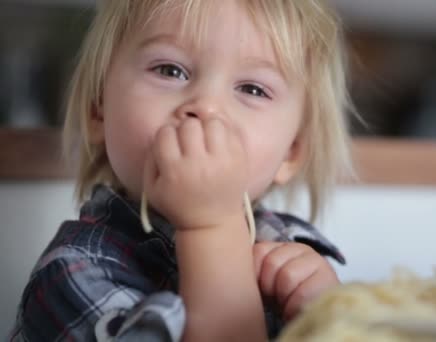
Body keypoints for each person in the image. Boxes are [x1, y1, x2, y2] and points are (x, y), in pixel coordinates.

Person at [10, 0, 354, 341]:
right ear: (99, 108)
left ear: (291, 152)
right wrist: (211, 228)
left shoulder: (292, 251)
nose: (205, 106)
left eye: (252, 89)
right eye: (170, 70)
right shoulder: (73, 274)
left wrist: (325, 322)